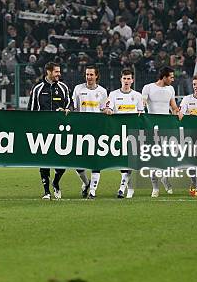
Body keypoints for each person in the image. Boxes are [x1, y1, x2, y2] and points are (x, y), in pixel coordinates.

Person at [28, 61, 72, 200]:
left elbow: (70, 105)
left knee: (63, 161)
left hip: (60, 131)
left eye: (59, 71)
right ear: (48, 72)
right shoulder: (38, 89)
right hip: (43, 131)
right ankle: (46, 191)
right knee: (44, 161)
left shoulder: (63, 88)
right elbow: (31, 110)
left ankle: (56, 182)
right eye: (56, 72)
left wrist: (67, 110)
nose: (59, 74)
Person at [104, 68, 144, 199]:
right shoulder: (114, 94)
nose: (126, 81)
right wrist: (108, 110)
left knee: (129, 161)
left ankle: (122, 188)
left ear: (132, 80)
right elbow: (108, 108)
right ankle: (129, 186)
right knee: (121, 161)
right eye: (124, 78)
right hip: (118, 132)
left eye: (129, 79)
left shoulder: (138, 96)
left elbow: (141, 114)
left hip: (132, 133)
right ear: (121, 79)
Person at [71, 66, 108, 199]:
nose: (89, 77)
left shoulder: (102, 91)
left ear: (96, 76)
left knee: (95, 162)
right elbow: (73, 107)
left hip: (96, 131)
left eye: (91, 74)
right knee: (77, 162)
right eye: (87, 74)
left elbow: (104, 108)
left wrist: (107, 111)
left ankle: (92, 191)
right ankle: (86, 183)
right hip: (81, 130)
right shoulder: (78, 89)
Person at [141, 66, 178, 197]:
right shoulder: (148, 87)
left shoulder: (171, 89)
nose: (173, 79)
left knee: (166, 158)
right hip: (152, 128)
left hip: (166, 128)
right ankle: (155, 187)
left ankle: (165, 178)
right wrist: (142, 107)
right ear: (164, 77)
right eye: (171, 77)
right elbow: (143, 102)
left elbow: (173, 106)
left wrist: (177, 112)